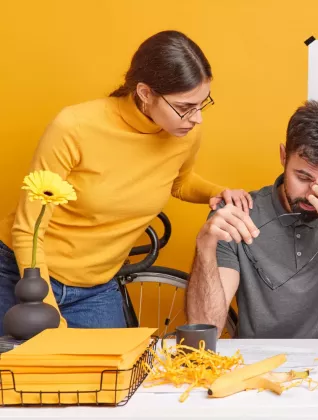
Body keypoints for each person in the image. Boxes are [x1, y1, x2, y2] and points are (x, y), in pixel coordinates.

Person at [0, 30, 252, 334]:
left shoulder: (184, 133)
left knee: (118, 366)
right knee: (30, 363)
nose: (197, 118)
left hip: (95, 287)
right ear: (145, 93)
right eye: (185, 107)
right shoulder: (75, 127)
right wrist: (48, 316)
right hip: (23, 275)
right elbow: (27, 229)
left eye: (202, 104)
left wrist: (218, 192)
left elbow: (178, 181)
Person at [186, 100, 318, 339]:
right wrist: (205, 247)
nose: (312, 194)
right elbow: (205, 327)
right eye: (303, 177)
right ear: (284, 156)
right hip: (255, 358)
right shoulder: (238, 212)